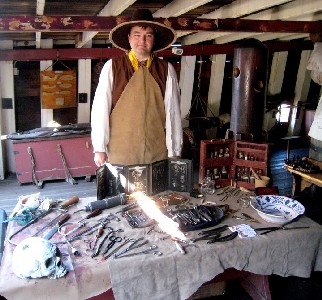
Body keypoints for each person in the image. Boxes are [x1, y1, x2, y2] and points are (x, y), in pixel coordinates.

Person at [91, 9, 183, 167]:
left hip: (156, 151)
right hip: (121, 150)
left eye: (148, 35)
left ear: (154, 40)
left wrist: (174, 150)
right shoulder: (112, 67)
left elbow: (172, 113)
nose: (142, 40)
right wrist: (99, 148)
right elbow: (101, 109)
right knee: (123, 191)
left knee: (157, 192)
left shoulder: (166, 70)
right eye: (137, 34)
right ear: (129, 37)